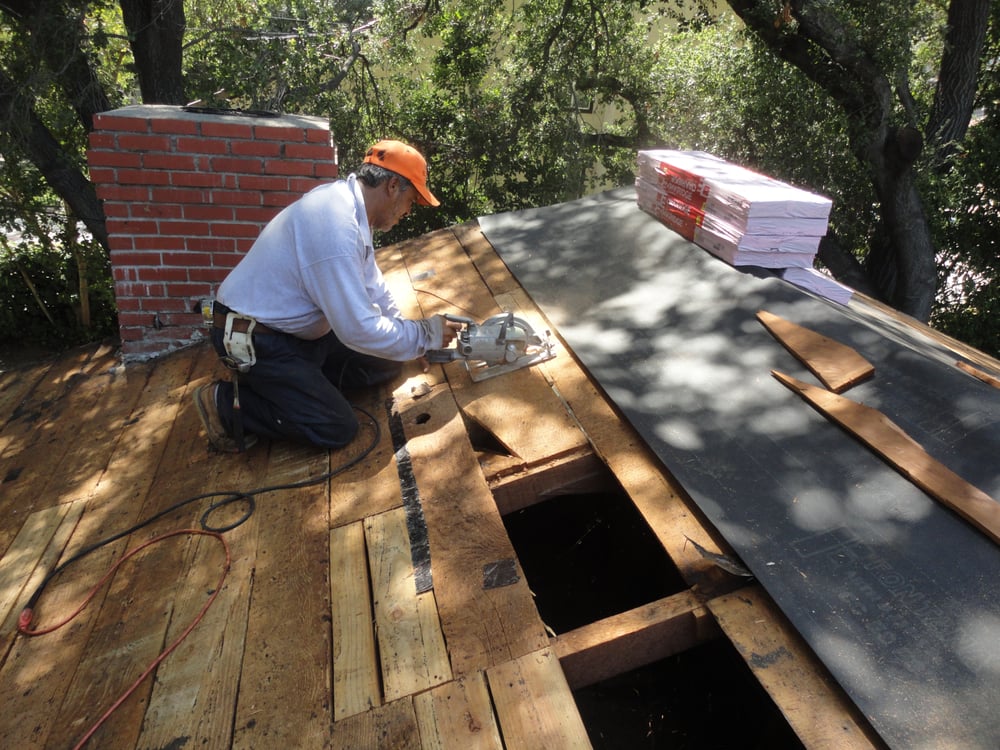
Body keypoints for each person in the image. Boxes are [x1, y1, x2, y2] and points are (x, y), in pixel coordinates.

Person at [193, 139, 460, 453]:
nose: (408, 212)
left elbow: (374, 285)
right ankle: (223, 402)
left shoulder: (349, 210)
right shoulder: (335, 226)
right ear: (391, 186)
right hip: (257, 339)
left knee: (390, 361)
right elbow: (357, 328)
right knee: (335, 427)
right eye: (411, 201)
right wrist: (424, 333)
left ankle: (296, 387)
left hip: (292, 333)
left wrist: (412, 342)